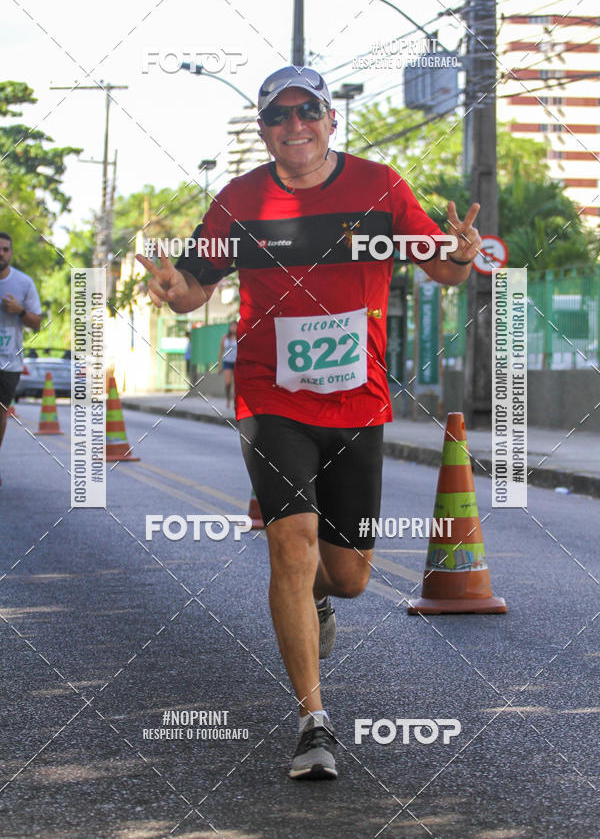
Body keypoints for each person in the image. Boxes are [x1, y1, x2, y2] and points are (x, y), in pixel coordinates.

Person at [137, 66, 482, 780]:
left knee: (348, 577)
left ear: (330, 120)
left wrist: (461, 258)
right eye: (277, 116)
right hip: (270, 397)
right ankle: (313, 723)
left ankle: (322, 601)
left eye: (306, 112)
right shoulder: (239, 201)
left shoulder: (381, 187)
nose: (293, 126)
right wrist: (174, 292)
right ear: (263, 129)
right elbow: (192, 289)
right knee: (290, 547)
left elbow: (441, 270)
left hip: (358, 402)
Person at [0, 232, 43, 485]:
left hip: (9, 361)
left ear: (11, 253)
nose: (1, 254)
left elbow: (36, 323)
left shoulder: (24, 283)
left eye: (5, 249)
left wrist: (19, 311)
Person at [217, 321, 237, 408]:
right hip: (227, 362)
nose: (233, 328)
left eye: (235, 326)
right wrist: (219, 365)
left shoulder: (240, 337)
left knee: (237, 384)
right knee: (228, 383)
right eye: (232, 326)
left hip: (237, 362)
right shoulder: (225, 337)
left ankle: (236, 401)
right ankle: (228, 398)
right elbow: (221, 352)